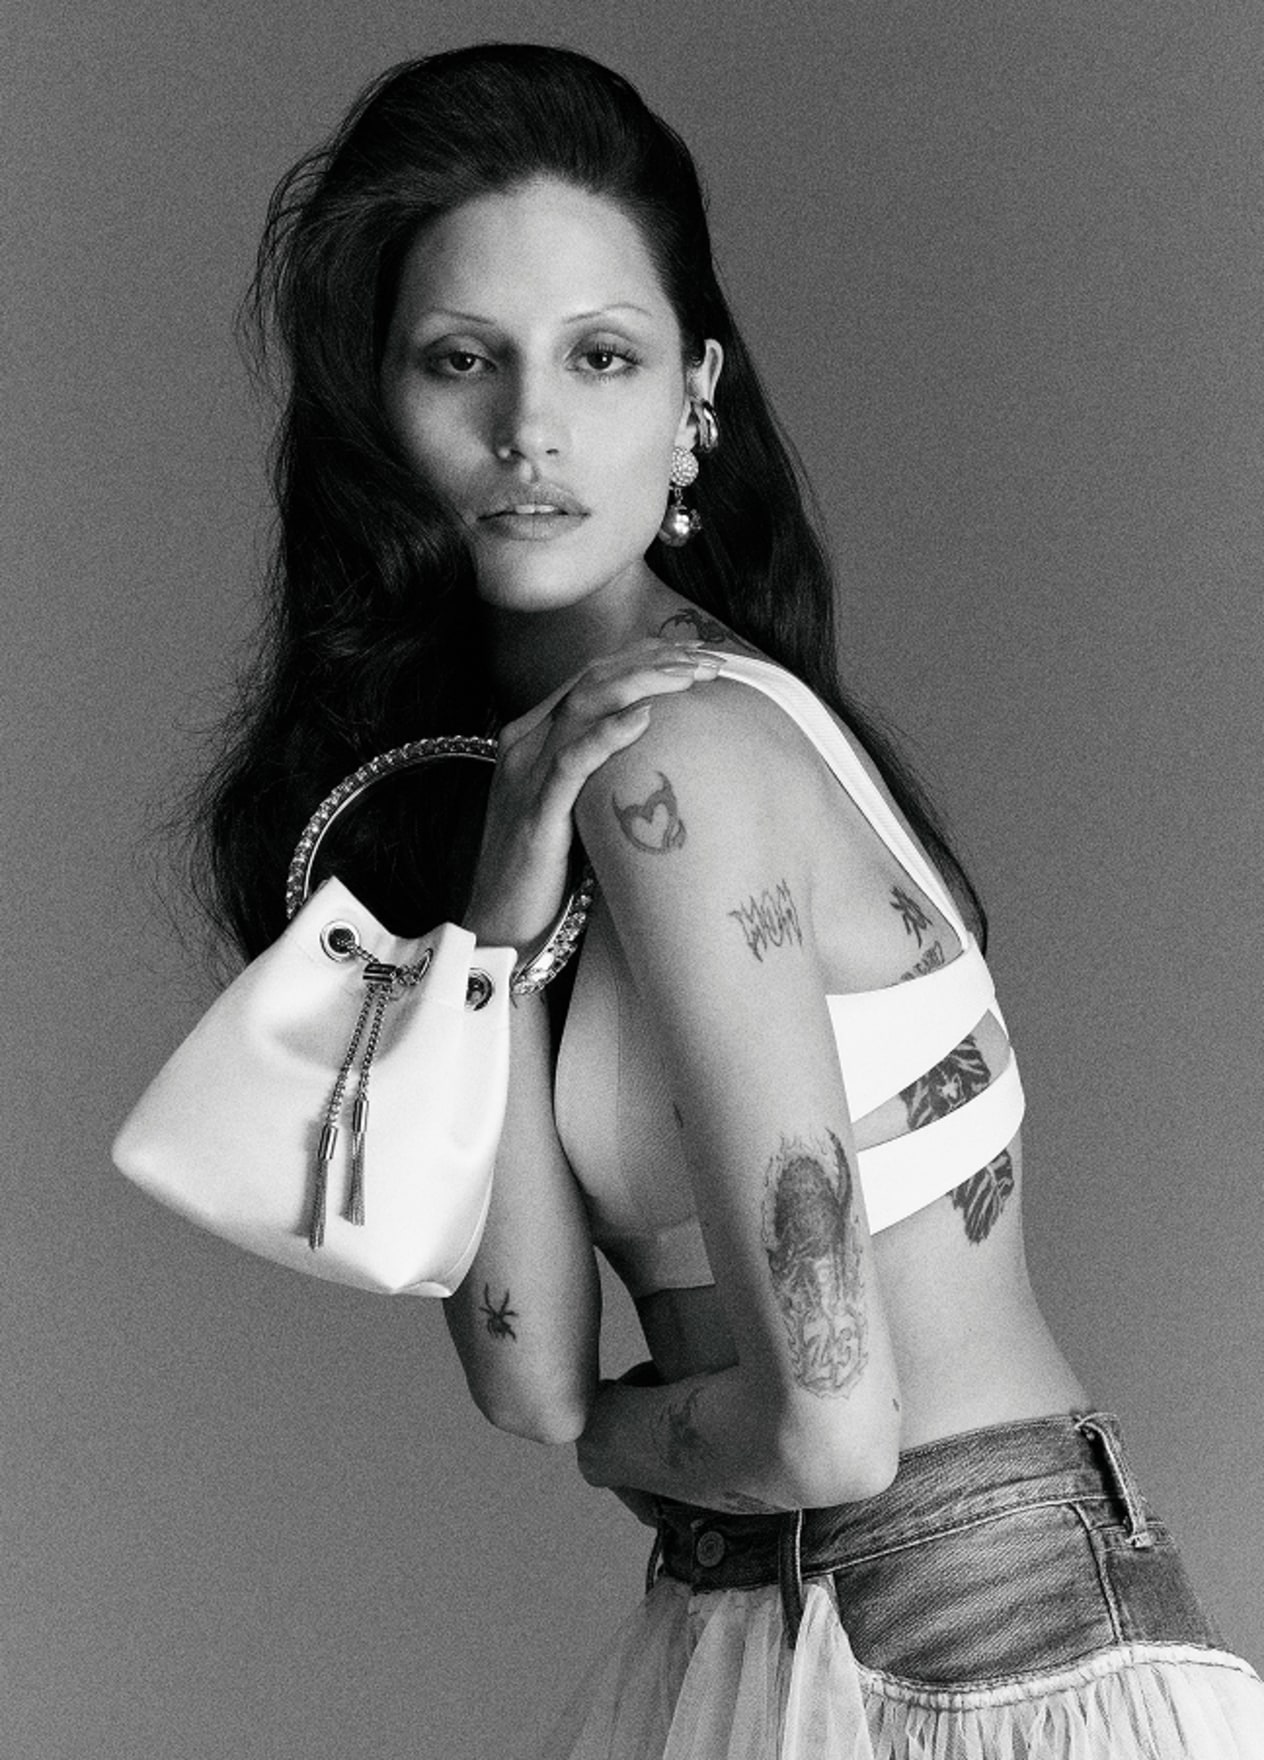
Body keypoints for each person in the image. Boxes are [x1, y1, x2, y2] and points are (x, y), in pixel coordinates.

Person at [192, 42, 1264, 1759]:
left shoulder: (680, 759)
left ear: (693, 395)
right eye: (461, 360)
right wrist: (492, 919)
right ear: (373, 412)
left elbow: (819, 1434)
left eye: (597, 359)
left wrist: (622, 1440)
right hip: (755, 1614)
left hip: (965, 1625)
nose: (528, 427)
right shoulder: (534, 794)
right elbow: (525, 1370)